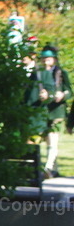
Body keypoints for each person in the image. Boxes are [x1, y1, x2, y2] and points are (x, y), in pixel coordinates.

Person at [41, 45, 71, 178]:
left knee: (53, 139)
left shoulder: (61, 73)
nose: (45, 61)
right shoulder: (39, 73)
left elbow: (69, 90)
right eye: (43, 59)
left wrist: (63, 95)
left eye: (48, 58)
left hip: (57, 110)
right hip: (43, 110)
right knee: (47, 140)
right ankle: (55, 168)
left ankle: (47, 168)